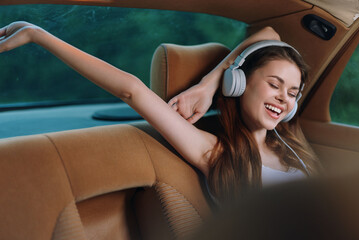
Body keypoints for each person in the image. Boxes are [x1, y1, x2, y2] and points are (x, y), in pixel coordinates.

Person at [0, 22, 318, 204]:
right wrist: (37, 35)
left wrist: (207, 85)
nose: (284, 99)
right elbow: (132, 90)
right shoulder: (217, 153)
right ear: (237, 83)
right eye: (274, 85)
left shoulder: (293, 146)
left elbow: (272, 35)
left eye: (293, 93)